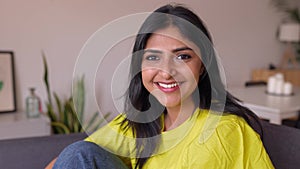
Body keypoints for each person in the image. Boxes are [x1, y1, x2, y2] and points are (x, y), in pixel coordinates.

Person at [49, 3, 274, 169]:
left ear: (203, 65)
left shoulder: (224, 130)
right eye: (153, 58)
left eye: (183, 57)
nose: (166, 72)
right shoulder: (140, 124)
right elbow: (69, 161)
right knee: (80, 153)